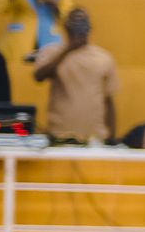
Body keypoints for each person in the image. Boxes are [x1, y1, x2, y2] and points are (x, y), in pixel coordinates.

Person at [31, 8, 118, 144]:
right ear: (66, 26)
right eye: (74, 22)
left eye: (82, 22)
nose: (78, 26)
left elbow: (109, 102)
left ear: (90, 27)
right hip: (59, 137)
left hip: (95, 139)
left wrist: (111, 138)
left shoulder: (104, 58)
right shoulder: (51, 52)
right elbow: (39, 76)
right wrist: (68, 49)